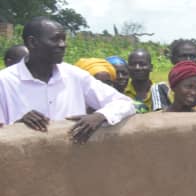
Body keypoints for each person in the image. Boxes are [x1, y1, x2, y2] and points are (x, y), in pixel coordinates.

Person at [0, 17, 135, 141]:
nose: (62, 45)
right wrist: (17, 126)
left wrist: (100, 116)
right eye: (55, 39)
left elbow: (124, 103)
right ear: (32, 42)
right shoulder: (5, 81)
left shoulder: (75, 76)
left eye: (64, 39)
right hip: (23, 163)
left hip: (71, 163)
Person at [153, 39, 196, 111]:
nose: (188, 60)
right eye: (183, 56)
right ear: (172, 59)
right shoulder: (162, 88)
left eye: (192, 56)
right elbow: (161, 115)